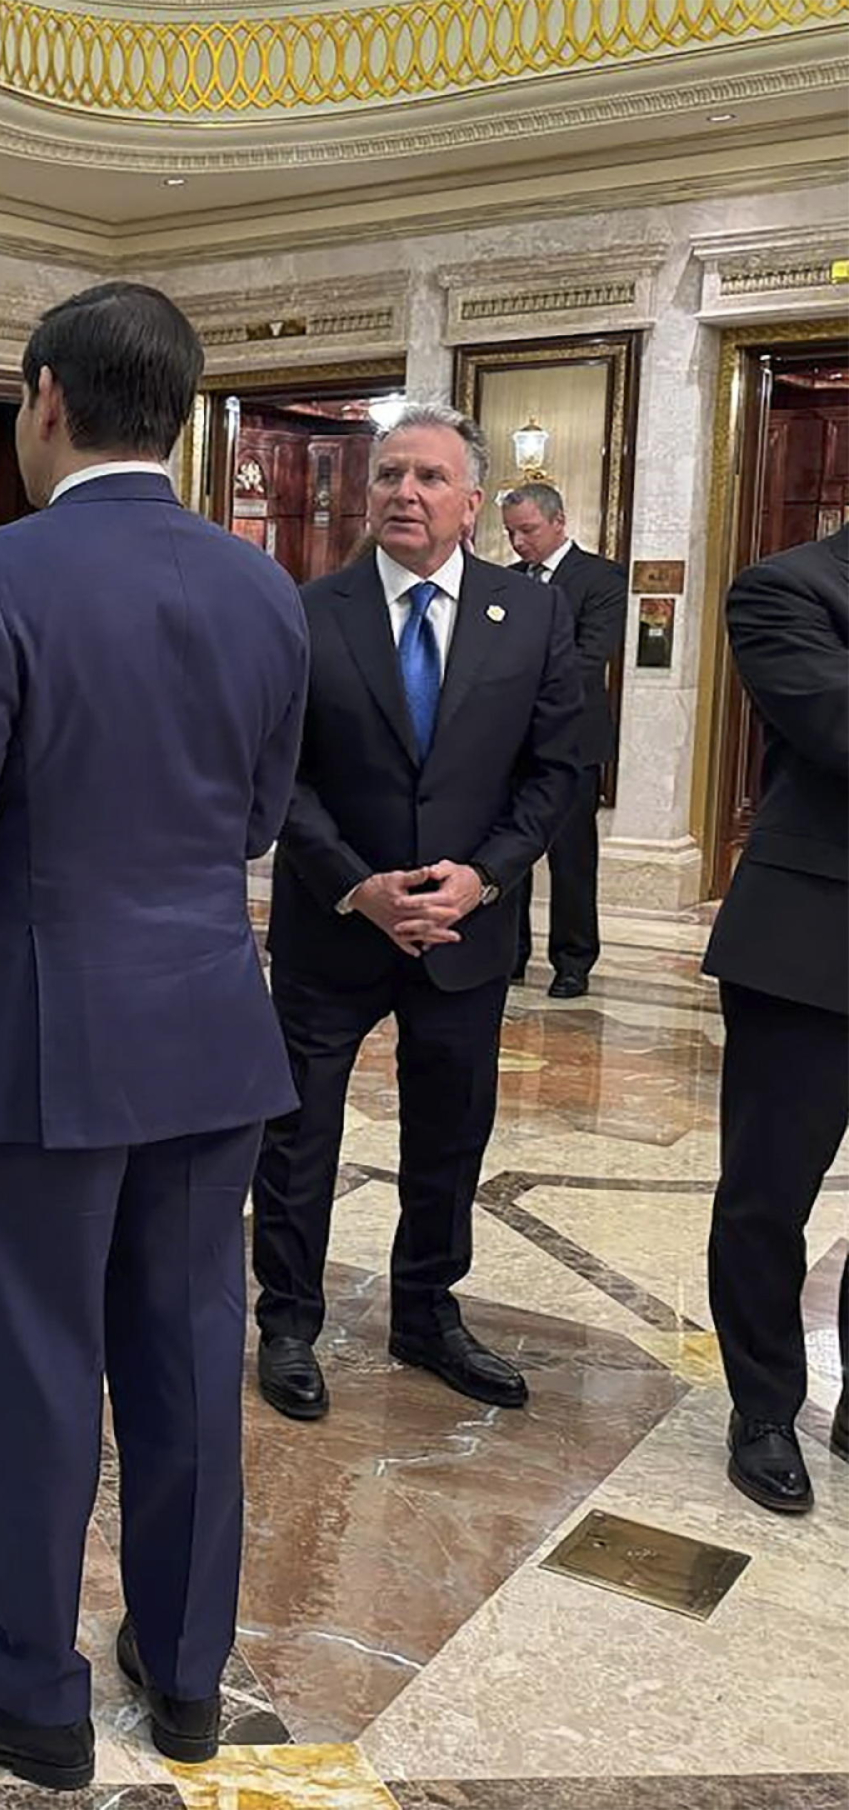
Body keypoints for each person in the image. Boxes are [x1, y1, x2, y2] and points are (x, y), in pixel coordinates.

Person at [0, 284, 307, 1788]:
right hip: (209, 1031)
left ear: (43, 399)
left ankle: (32, 1688)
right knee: (184, 1353)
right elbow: (249, 819)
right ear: (182, 407)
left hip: (41, 1041)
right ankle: (183, 1675)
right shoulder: (269, 590)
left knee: (38, 1366)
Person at [251, 404, 582, 1423]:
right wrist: (358, 883)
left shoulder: (527, 616)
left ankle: (427, 1311)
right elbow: (278, 773)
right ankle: (289, 1320)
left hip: (465, 932)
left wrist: (482, 877)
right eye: (390, 473)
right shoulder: (307, 613)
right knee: (295, 1137)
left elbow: (559, 769)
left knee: (449, 1134)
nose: (405, 492)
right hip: (332, 924)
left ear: (473, 502)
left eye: (430, 478)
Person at [703, 523, 847, 1514]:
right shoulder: (784, 588)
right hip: (809, 947)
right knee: (766, 1199)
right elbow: (837, 723)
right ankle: (763, 1406)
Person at [499, 482, 627, 997]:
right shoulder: (505, 583)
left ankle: (573, 960)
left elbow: (589, 656)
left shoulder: (600, 578)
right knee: (509, 851)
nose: (518, 543)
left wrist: (515, 682)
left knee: (571, 857)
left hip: (572, 741)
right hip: (509, 743)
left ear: (558, 522)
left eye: (527, 530)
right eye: (510, 533)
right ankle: (510, 952)